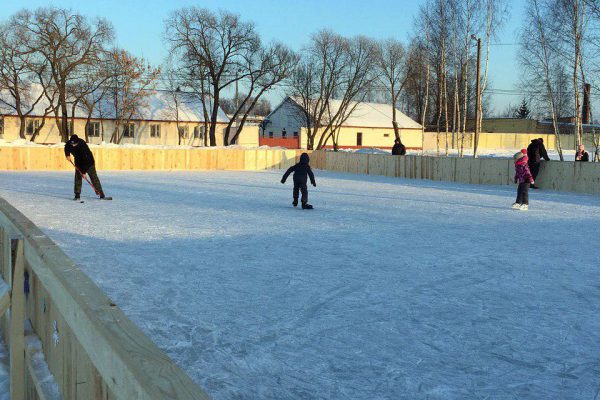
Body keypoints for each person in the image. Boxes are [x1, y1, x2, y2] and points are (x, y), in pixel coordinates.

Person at [64, 134, 105, 200]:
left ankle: (100, 193)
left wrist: (83, 172)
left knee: (94, 178)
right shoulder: (70, 143)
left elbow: (86, 161)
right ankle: (77, 194)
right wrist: (67, 155)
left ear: (77, 142)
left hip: (89, 163)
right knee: (78, 178)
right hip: (78, 162)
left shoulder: (83, 146)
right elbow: (66, 147)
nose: (73, 145)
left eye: (74, 144)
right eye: (72, 144)